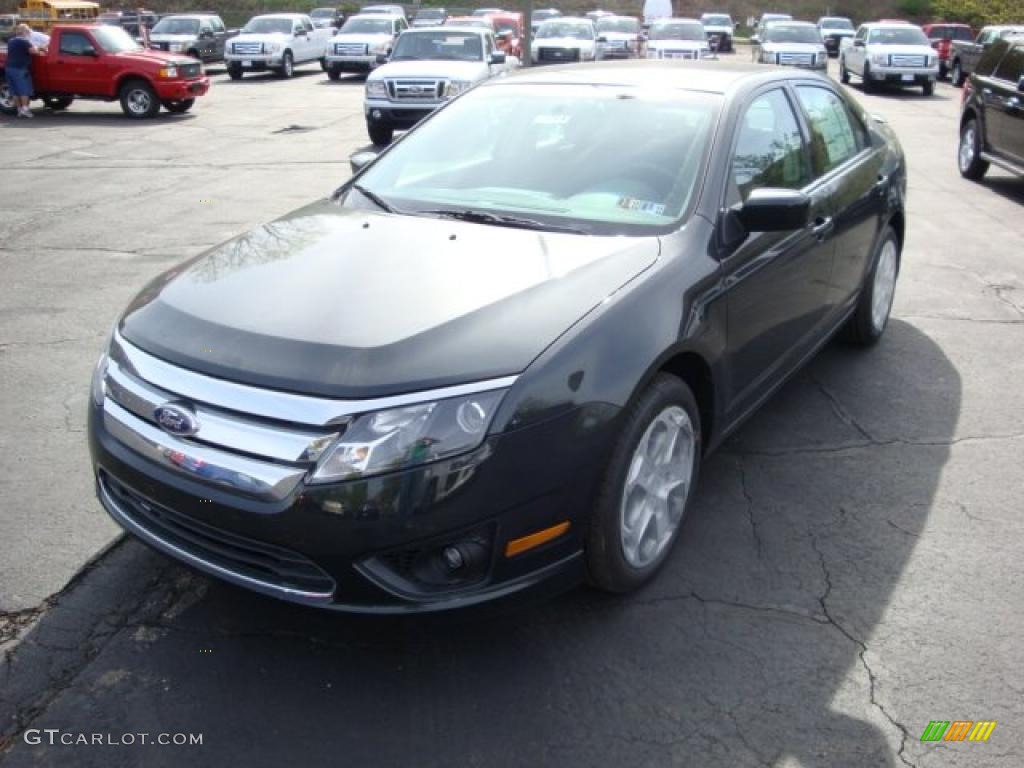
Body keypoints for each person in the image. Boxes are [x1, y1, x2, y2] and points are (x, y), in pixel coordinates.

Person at [5, 24, 39, 118]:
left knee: (15, 91)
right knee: (24, 90)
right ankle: (25, 110)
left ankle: (19, 110)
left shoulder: (11, 41)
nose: (29, 33)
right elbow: (34, 52)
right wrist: (37, 47)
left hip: (9, 68)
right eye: (28, 31)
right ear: (24, 32)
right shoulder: (24, 41)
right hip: (20, 69)